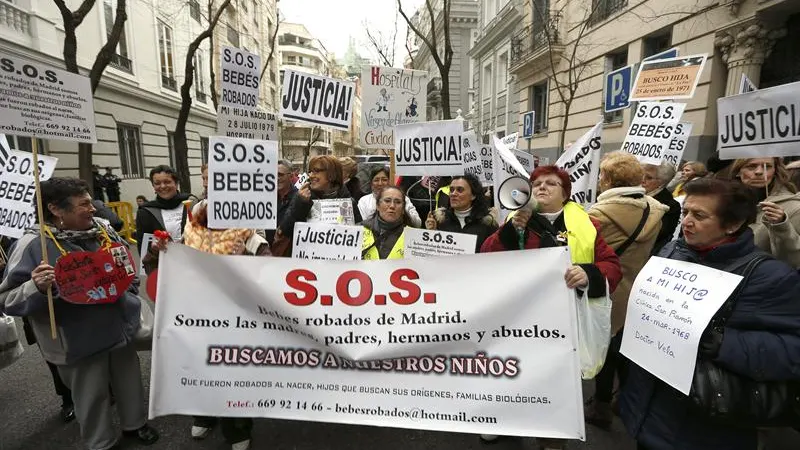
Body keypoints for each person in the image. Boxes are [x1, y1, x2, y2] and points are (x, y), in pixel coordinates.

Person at [621, 178, 800, 450]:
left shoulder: (770, 278)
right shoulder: (671, 253)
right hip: (649, 410)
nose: (687, 222)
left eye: (699, 215)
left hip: (707, 426)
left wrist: (724, 343)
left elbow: (792, 350)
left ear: (733, 224)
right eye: (686, 213)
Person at [0, 177, 159, 450]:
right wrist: (35, 286)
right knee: (91, 395)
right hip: (76, 340)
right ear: (56, 209)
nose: (93, 209)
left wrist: (127, 284)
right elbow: (6, 299)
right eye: (84, 204)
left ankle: (135, 425)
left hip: (119, 327)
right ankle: (101, 442)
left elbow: (125, 265)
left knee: (129, 382)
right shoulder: (33, 244)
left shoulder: (102, 231)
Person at [480, 165, 622, 450]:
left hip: (564, 320)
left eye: (552, 183)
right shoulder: (515, 220)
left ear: (566, 193)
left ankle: (552, 438)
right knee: (511, 372)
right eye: (537, 183)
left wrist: (588, 273)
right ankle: (505, 422)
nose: (542, 187)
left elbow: (612, 266)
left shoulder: (586, 224)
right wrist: (509, 231)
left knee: (555, 383)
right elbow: (486, 258)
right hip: (519, 317)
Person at [180, 192, 269, 450]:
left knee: (232, 368)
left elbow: (269, 262)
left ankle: (238, 427)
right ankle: (204, 415)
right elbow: (164, 262)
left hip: (234, 315)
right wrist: (157, 251)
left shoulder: (247, 234)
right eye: (211, 210)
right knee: (200, 365)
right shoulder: (190, 232)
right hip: (197, 314)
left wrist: (248, 257)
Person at [586, 152, 668, 429]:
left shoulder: (598, 215)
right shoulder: (655, 209)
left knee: (604, 349)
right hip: (636, 286)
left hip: (607, 286)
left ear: (608, 179)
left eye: (601, 175)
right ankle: (624, 400)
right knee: (625, 346)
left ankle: (601, 407)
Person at [274, 156, 362, 256]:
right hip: (306, 264)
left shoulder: (348, 203)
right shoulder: (302, 198)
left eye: (316, 171)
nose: (311, 175)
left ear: (331, 174)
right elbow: (285, 230)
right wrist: (300, 203)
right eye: (310, 171)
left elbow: (359, 237)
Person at [730, 157, 800, 268]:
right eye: (751, 166)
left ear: (775, 171)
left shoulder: (794, 208)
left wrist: (781, 225)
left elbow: (795, 260)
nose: (759, 172)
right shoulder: (725, 200)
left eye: (767, 166)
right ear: (738, 171)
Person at [425, 174, 497, 253]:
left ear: (473, 195)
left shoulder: (488, 223)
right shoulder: (439, 220)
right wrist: (431, 233)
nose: (453, 194)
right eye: (451, 190)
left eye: (460, 190)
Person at [135, 165, 192, 254]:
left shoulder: (192, 204)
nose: (162, 186)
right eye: (157, 183)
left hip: (194, 261)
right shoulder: (145, 212)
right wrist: (153, 248)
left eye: (167, 182)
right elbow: (143, 248)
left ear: (176, 183)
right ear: (153, 186)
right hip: (164, 263)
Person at [362, 186, 413, 260]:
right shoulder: (358, 230)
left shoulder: (414, 237)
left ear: (403, 209)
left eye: (398, 202)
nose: (392, 206)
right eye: (387, 201)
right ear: (377, 206)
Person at [642, 161, 681, 255]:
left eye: (649, 177)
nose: (642, 180)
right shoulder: (632, 193)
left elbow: (656, 235)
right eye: (641, 174)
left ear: (661, 182)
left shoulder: (670, 206)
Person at [266, 160, 298, 246]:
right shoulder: (267, 198)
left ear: (291, 177)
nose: (276, 178)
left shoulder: (299, 199)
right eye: (273, 175)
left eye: (280, 175)